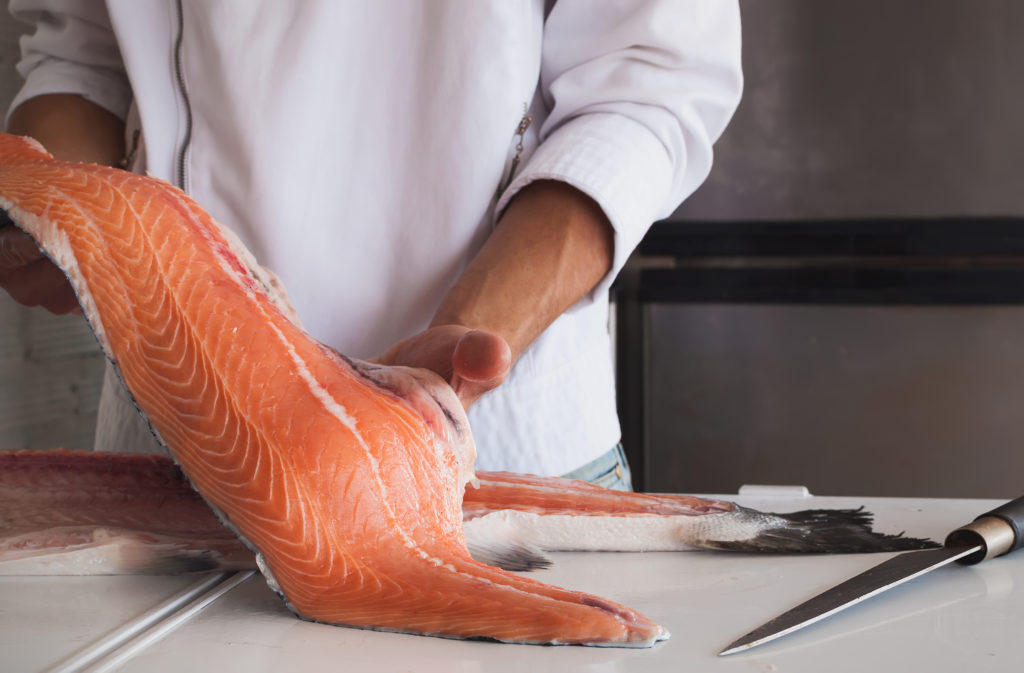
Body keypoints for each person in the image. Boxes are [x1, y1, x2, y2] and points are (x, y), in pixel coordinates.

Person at [0, 1, 742, 489]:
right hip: (173, 446)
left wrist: (455, 358)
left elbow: (649, 84)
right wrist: (42, 209)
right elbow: (81, 56)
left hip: (484, 454)